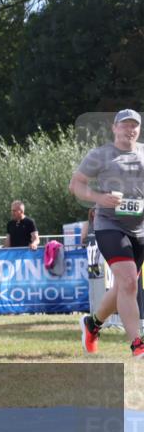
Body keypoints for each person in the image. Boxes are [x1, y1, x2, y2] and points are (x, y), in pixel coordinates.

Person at [69, 109, 144, 359]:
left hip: (140, 229)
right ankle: (137, 344)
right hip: (109, 225)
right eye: (125, 125)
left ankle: (92, 325)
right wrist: (99, 198)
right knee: (129, 282)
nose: (130, 130)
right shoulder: (100, 155)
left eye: (134, 126)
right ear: (114, 128)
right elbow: (76, 184)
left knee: (125, 285)